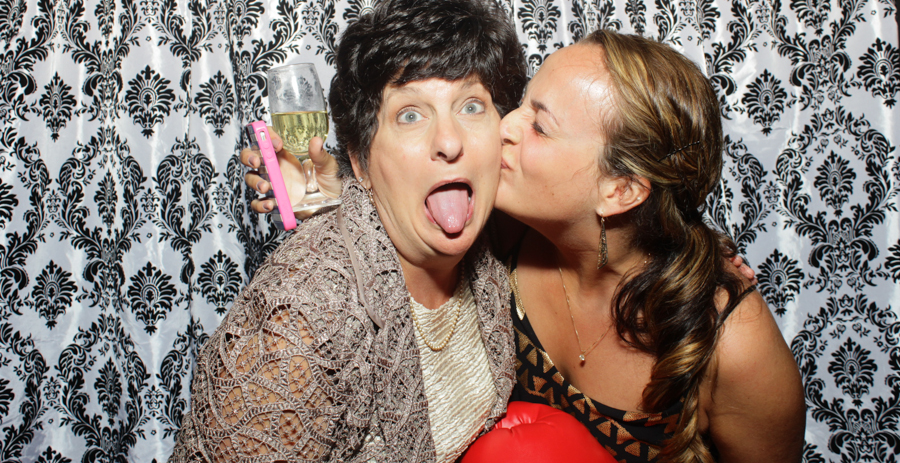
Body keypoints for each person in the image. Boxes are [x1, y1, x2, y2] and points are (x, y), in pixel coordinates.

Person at [246, 30, 805, 462]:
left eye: (540, 126)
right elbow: (401, 232)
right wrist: (333, 193)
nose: (503, 126)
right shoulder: (494, 239)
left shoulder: (732, 345)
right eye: (520, 103)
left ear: (620, 189)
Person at [170, 0, 528, 463]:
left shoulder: (497, 244)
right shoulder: (298, 327)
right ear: (359, 160)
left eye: (471, 106)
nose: (449, 142)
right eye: (410, 114)